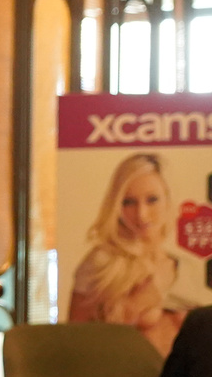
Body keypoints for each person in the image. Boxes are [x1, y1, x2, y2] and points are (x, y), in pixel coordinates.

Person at [67, 152, 184, 356]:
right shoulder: (102, 262)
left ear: (168, 200)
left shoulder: (182, 265)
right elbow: (76, 341)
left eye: (152, 200)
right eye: (128, 202)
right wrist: (148, 295)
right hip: (118, 372)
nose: (141, 214)